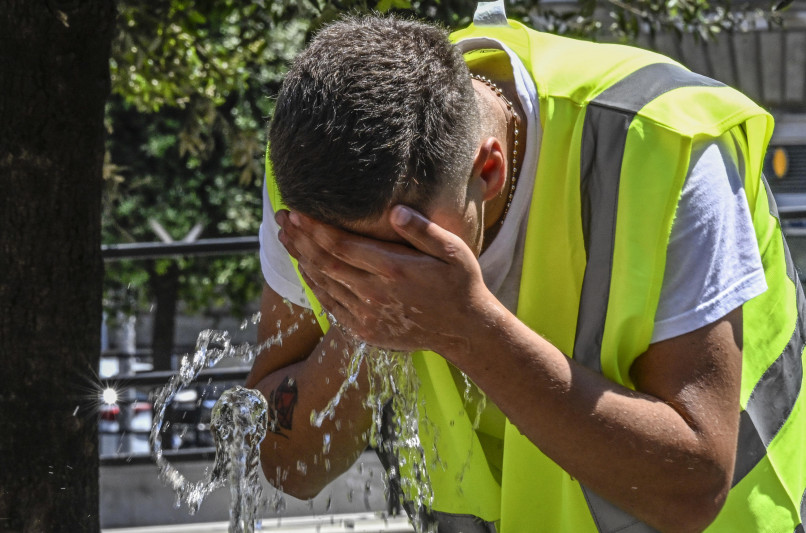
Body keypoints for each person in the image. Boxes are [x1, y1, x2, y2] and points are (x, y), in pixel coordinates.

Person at [245, 4, 806, 532]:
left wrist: (468, 330)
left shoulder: (662, 143)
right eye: (345, 264)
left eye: (405, 250)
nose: (378, 278)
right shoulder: (307, 180)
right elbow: (288, 466)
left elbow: (693, 491)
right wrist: (362, 326)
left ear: (487, 171)